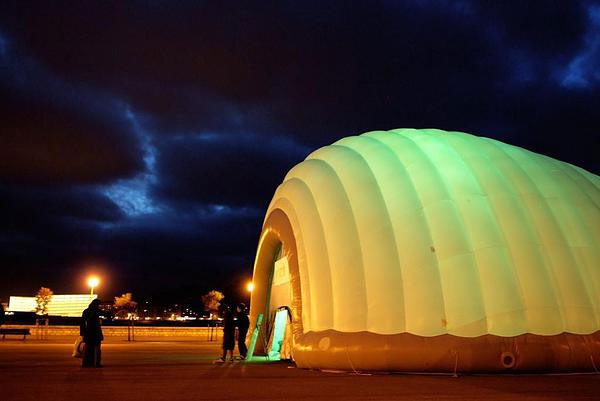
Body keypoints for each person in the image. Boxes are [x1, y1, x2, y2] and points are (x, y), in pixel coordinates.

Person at [80, 299, 104, 368]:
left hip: (88, 332)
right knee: (97, 348)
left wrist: (82, 333)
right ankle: (96, 363)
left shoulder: (86, 311)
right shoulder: (97, 311)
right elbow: (107, 314)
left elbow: (82, 322)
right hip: (96, 331)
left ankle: (85, 363)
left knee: (87, 348)